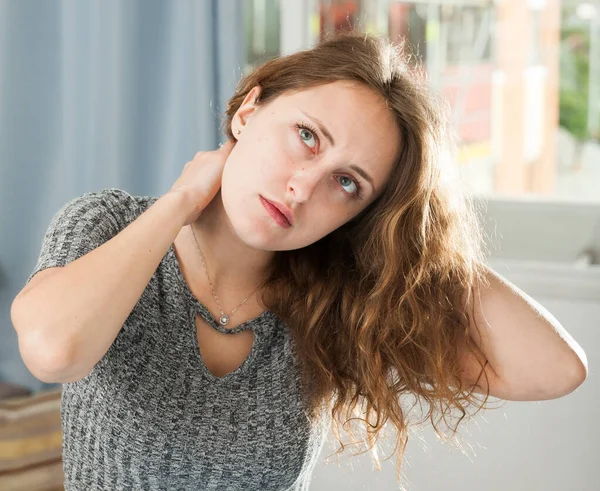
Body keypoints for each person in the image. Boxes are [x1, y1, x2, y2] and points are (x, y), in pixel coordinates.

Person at [11, 31, 587, 491]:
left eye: (346, 181)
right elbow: (53, 350)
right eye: (307, 136)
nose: (304, 187)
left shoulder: (336, 303)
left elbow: (556, 369)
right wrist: (180, 202)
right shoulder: (109, 225)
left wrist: (418, 238)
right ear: (249, 113)